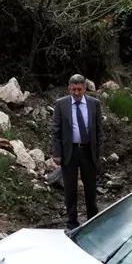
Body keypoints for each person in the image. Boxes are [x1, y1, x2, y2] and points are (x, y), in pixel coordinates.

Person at [51, 74, 103, 230]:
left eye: (79, 89)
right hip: (70, 151)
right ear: (69, 89)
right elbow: (56, 130)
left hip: (88, 151)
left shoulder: (94, 104)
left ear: (85, 89)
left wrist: (100, 151)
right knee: (70, 189)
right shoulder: (61, 104)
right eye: (73, 89)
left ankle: (92, 220)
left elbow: (99, 130)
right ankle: (72, 222)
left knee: (90, 188)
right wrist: (57, 153)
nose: (76, 93)